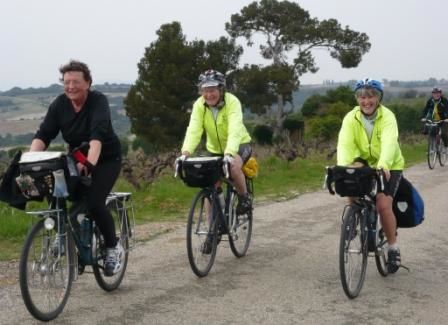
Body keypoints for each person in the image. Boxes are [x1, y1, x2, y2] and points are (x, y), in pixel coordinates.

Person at [29, 60, 123, 276]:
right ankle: (66, 237)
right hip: (77, 157)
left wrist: (89, 165)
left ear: (88, 83)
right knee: (59, 196)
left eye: (76, 82)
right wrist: (31, 159)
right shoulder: (59, 105)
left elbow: (97, 137)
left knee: (95, 202)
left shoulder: (98, 101)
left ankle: (112, 247)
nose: (70, 86)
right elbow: (44, 135)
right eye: (67, 81)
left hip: (106, 158)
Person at [337, 78, 405, 274]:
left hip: (390, 164)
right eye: (362, 97)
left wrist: (384, 165)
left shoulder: (388, 117)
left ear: (379, 97)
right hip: (364, 161)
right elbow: (344, 144)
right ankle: (352, 217)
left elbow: (389, 143)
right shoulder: (351, 117)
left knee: (383, 205)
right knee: (349, 176)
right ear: (357, 99)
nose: (366, 101)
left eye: (371, 96)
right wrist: (343, 168)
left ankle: (393, 247)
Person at [179, 69, 252, 250]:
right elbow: (194, 129)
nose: (208, 94)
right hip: (215, 150)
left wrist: (229, 153)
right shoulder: (199, 105)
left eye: (212, 90)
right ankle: (213, 230)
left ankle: (244, 198)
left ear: (221, 89)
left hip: (240, 145)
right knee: (210, 186)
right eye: (205, 90)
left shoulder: (232, 102)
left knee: (233, 166)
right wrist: (185, 152)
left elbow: (235, 129)